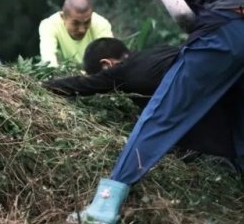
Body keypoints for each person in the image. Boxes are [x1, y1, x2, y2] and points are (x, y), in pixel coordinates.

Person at [70, 0, 244, 224]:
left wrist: (202, 32)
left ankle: (103, 209)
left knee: (160, 114)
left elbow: (179, 12)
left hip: (221, 33)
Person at [43, 38, 238, 163]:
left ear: (107, 64)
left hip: (207, 92)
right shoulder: (155, 51)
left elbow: (81, 85)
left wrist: (40, 86)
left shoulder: (120, 71)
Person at [38, 0, 113, 67]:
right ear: (63, 17)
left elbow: (108, 60)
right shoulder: (49, 25)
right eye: (76, 23)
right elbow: (49, 60)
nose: (82, 30)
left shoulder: (101, 24)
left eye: (87, 22)